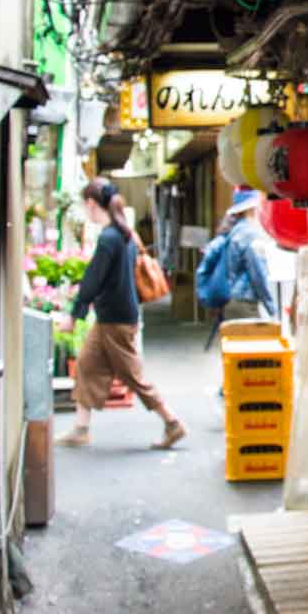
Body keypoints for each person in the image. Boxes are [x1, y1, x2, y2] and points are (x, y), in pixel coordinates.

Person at [57, 178, 187, 449]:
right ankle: (81, 428)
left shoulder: (108, 238)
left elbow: (93, 280)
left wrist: (74, 314)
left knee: (134, 377)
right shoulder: (124, 234)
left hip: (115, 319)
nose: (85, 211)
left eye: (85, 205)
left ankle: (172, 422)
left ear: (92, 204)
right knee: (86, 365)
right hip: (114, 316)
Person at [223, 188, 277, 320]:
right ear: (250, 209)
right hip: (245, 303)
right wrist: (271, 307)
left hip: (232, 299)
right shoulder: (249, 234)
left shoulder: (235, 231)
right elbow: (257, 272)